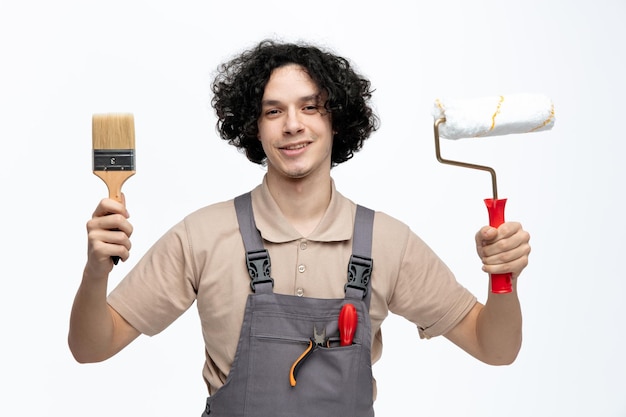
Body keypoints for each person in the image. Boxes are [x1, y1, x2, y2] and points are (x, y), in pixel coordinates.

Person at [69, 40, 530, 415]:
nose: (293, 125)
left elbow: (495, 347)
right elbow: (92, 347)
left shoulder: (390, 243)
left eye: (310, 108)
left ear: (337, 121)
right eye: (273, 112)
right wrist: (96, 270)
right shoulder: (202, 236)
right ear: (253, 128)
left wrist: (502, 277)